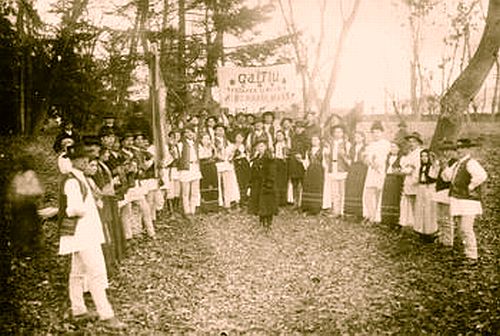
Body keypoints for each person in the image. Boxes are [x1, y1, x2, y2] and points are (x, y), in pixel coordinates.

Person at [57, 144, 125, 330]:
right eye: (82, 158)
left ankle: (78, 310)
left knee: (77, 273)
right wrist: (86, 207)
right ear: (74, 161)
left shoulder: (81, 179)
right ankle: (106, 315)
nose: (86, 160)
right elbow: (73, 209)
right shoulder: (72, 181)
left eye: (87, 157)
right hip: (82, 233)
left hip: (85, 233)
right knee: (96, 272)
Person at [442, 138, 487, 263]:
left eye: (462, 148)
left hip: (468, 201)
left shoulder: (470, 162)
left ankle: (472, 256)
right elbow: (447, 178)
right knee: (462, 228)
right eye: (458, 148)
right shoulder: (458, 163)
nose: (459, 150)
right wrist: (445, 166)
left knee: (466, 228)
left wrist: (470, 186)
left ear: (468, 149)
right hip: (458, 200)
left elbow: (482, 176)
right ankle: (467, 252)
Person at [8, 155, 44, 257]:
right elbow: (13, 191)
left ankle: (28, 248)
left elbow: (37, 191)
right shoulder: (18, 175)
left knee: (27, 226)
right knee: (21, 227)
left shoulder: (30, 174)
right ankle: (22, 248)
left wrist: (24, 194)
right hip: (19, 206)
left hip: (27, 206)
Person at [362, 121, 391, 223]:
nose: (376, 134)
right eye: (373, 132)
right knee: (368, 194)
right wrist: (370, 162)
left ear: (382, 133)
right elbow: (366, 159)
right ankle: (371, 215)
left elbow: (388, 157)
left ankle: (378, 217)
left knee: (379, 193)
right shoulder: (370, 145)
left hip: (381, 170)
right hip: (371, 170)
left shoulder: (386, 144)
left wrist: (379, 165)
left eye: (378, 132)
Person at [433, 140, 458, 247]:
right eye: (443, 150)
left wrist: (444, 167)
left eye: (448, 150)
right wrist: (435, 165)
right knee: (440, 218)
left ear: (453, 151)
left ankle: (448, 242)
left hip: (448, 192)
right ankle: (442, 238)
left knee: (447, 218)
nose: (445, 153)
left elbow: (448, 178)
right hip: (439, 192)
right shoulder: (442, 161)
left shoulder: (455, 162)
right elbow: (434, 176)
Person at [248, 140, 277, 230]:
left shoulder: (269, 158)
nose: (260, 148)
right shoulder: (256, 158)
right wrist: (251, 183)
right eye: (258, 146)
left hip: (266, 184)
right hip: (257, 184)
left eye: (262, 146)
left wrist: (269, 183)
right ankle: (261, 222)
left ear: (265, 147)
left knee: (267, 204)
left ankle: (268, 223)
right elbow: (253, 172)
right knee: (259, 203)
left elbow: (272, 172)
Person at [399, 132, 424, 228]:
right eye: (410, 141)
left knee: (418, 205)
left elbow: (417, 168)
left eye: (414, 141)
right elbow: (405, 165)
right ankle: (414, 225)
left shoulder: (420, 153)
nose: (411, 143)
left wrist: (409, 170)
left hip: (416, 181)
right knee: (411, 204)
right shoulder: (410, 153)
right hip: (409, 182)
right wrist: (406, 169)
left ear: (418, 143)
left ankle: (419, 226)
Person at [414, 149, 440, 242]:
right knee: (421, 209)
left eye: (425, 156)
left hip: (430, 188)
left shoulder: (433, 167)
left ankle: (430, 231)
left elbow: (434, 177)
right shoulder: (421, 167)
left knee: (429, 209)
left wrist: (434, 164)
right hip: (421, 188)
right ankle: (421, 230)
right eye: (422, 156)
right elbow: (417, 178)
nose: (423, 158)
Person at [326, 124, 351, 217]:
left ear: (343, 133)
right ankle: (336, 211)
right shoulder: (331, 143)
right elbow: (328, 156)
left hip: (343, 169)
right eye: (336, 132)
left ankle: (343, 211)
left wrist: (343, 155)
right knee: (335, 191)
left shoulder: (347, 144)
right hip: (333, 168)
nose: (338, 134)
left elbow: (349, 158)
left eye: (340, 132)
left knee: (343, 191)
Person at [214, 124, 240, 209]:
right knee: (219, 183)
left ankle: (228, 202)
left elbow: (231, 151)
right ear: (215, 131)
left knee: (228, 183)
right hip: (218, 164)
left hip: (227, 164)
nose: (220, 132)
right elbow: (214, 153)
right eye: (218, 130)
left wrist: (231, 156)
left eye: (222, 130)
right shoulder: (213, 141)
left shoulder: (227, 141)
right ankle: (221, 203)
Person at [178, 127, 202, 217]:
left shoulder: (196, 144)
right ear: (184, 134)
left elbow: (202, 154)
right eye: (187, 132)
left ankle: (193, 209)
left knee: (194, 191)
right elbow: (177, 156)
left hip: (195, 167)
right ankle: (186, 211)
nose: (189, 134)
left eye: (191, 132)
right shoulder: (181, 145)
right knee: (185, 191)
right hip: (186, 169)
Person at [302, 134, 328, 215]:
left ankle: (316, 208)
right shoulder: (308, 151)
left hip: (318, 171)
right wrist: (303, 162)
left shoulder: (323, 150)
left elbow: (325, 162)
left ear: (319, 141)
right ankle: (308, 207)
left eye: (316, 140)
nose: (314, 141)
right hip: (310, 170)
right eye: (313, 140)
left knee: (317, 188)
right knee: (309, 187)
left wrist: (325, 170)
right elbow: (306, 162)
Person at [344, 131, 367, 219]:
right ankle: (350, 211)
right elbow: (350, 158)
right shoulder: (352, 147)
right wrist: (347, 159)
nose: (357, 139)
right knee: (351, 187)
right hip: (353, 168)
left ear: (363, 138)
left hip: (361, 168)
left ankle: (359, 212)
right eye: (355, 137)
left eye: (359, 137)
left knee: (359, 187)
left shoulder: (365, 147)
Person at [380, 142, 404, 227]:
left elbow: (403, 170)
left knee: (394, 198)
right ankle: (385, 219)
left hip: (396, 179)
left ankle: (394, 221)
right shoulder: (388, 157)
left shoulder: (402, 158)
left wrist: (399, 171)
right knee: (386, 198)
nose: (393, 149)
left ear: (399, 149)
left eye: (394, 147)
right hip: (388, 178)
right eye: (391, 147)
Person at [288, 120, 309, 209]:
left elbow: (308, 150)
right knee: (294, 183)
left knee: (303, 183)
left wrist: (302, 156)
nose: (298, 130)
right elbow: (290, 149)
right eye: (296, 128)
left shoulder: (306, 139)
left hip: (302, 163)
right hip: (293, 162)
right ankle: (295, 202)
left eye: (300, 128)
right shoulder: (293, 138)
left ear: (303, 129)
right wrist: (293, 153)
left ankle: (302, 203)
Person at [198, 133, 219, 212]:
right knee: (205, 184)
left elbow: (215, 156)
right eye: (205, 139)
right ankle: (206, 207)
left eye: (208, 139)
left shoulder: (211, 147)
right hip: (204, 167)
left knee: (213, 183)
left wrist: (214, 148)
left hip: (211, 167)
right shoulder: (199, 148)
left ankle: (214, 206)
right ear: (201, 140)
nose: (207, 141)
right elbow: (202, 157)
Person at [232, 131, 251, 206]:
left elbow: (247, 155)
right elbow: (231, 155)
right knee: (239, 180)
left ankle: (245, 197)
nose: (240, 139)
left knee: (246, 180)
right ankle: (239, 199)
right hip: (237, 163)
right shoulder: (233, 146)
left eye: (241, 137)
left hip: (244, 163)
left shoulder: (244, 146)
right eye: (238, 137)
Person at [274, 130, 290, 206]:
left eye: (280, 135)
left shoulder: (286, 144)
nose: (279, 137)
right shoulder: (275, 144)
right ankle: (277, 200)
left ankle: (283, 201)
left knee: (283, 181)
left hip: (284, 163)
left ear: (283, 136)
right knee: (276, 181)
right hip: (276, 162)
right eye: (277, 135)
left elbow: (288, 154)